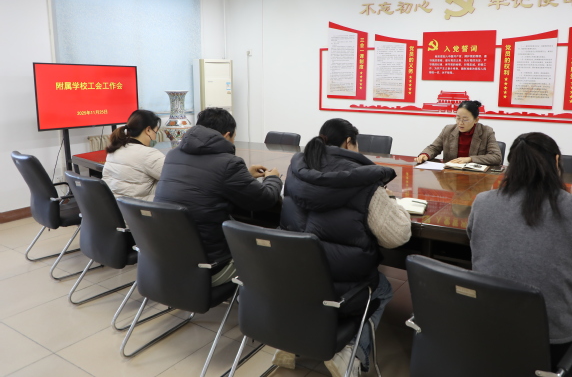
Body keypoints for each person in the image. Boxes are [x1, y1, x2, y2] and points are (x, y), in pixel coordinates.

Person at [467, 132, 572, 376]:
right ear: (556, 162)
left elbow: (476, 242)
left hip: (488, 330)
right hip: (554, 343)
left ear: (511, 165)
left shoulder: (482, 202)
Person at [276, 118, 412, 377]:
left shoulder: (296, 168)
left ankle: (291, 343)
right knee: (383, 289)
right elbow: (397, 236)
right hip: (339, 291)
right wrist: (393, 203)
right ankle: (351, 352)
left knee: (312, 282)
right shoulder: (363, 180)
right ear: (349, 142)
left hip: (294, 279)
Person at [154, 107, 283, 286]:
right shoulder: (229, 163)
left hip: (166, 259)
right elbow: (265, 199)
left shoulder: (173, 154)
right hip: (211, 265)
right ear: (227, 135)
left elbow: (205, 181)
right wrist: (273, 179)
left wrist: (243, 176)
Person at [415, 100, 502, 166]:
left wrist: (470, 159)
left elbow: (496, 157)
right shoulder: (448, 130)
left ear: (476, 120)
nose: (460, 123)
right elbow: (434, 148)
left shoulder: (486, 132)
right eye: (458, 118)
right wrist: (425, 155)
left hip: (476, 177)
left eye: (465, 119)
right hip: (450, 175)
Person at [102, 109, 165, 201]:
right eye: (155, 132)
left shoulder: (115, 149)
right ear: (148, 130)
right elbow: (174, 177)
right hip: (139, 207)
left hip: (114, 205)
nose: (155, 137)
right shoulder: (149, 154)